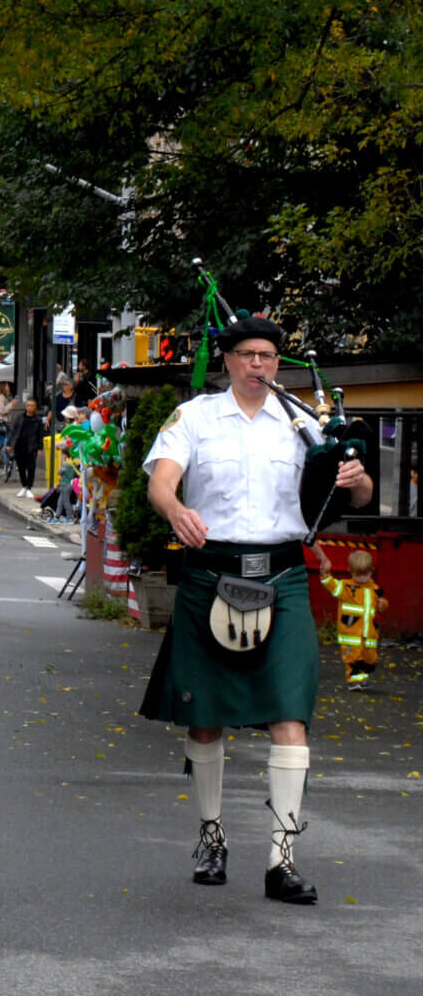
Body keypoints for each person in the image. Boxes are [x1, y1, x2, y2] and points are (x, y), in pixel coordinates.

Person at [140, 314, 373, 905]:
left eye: (268, 356)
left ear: (278, 364)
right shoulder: (194, 418)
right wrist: (174, 510)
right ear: (228, 360)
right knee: (205, 716)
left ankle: (283, 858)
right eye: (246, 354)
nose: (258, 365)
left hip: (284, 573)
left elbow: (361, 493)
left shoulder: (303, 425)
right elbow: (161, 482)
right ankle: (212, 837)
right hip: (210, 571)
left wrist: (354, 476)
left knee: (290, 713)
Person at [317, 549, 386, 689]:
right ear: (350, 571)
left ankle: (362, 678)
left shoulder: (374, 589)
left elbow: (380, 606)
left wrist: (383, 604)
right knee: (353, 657)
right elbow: (332, 585)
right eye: (358, 575)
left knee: (369, 658)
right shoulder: (346, 587)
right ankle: (353, 680)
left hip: (369, 633)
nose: (362, 578)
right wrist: (325, 575)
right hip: (351, 633)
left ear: (372, 570)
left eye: (366, 574)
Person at [10, 397, 46, 499]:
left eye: (32, 406)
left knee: (31, 468)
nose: (29, 408)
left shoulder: (38, 420)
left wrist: (40, 448)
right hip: (19, 445)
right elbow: (14, 430)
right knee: (21, 468)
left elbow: (40, 434)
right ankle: (24, 486)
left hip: (31, 446)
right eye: (28, 405)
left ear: (35, 407)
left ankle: (29, 487)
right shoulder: (20, 417)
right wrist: (11, 444)